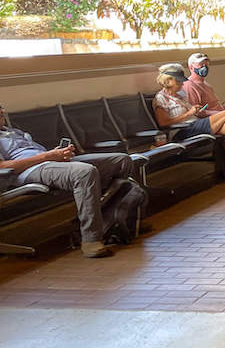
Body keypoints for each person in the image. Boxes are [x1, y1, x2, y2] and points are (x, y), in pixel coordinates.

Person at [0, 102, 141, 258]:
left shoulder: (13, 132)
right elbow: (3, 166)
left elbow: (39, 153)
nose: (2, 114)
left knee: (122, 161)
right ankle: (90, 239)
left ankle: (117, 218)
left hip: (51, 162)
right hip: (29, 171)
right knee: (84, 172)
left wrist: (59, 154)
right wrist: (48, 156)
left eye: (1, 110)